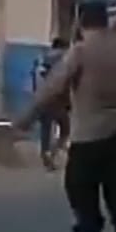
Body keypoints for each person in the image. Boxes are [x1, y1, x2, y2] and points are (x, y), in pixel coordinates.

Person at [14, 2, 116, 232]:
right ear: (105, 21)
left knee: (83, 195)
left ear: (82, 23)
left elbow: (52, 87)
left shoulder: (81, 51)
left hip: (88, 136)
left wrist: (26, 117)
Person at [32, 37, 71, 171]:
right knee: (65, 128)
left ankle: (46, 154)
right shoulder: (61, 59)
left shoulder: (42, 58)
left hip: (42, 98)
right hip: (56, 100)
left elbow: (36, 79)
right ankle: (52, 153)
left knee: (46, 129)